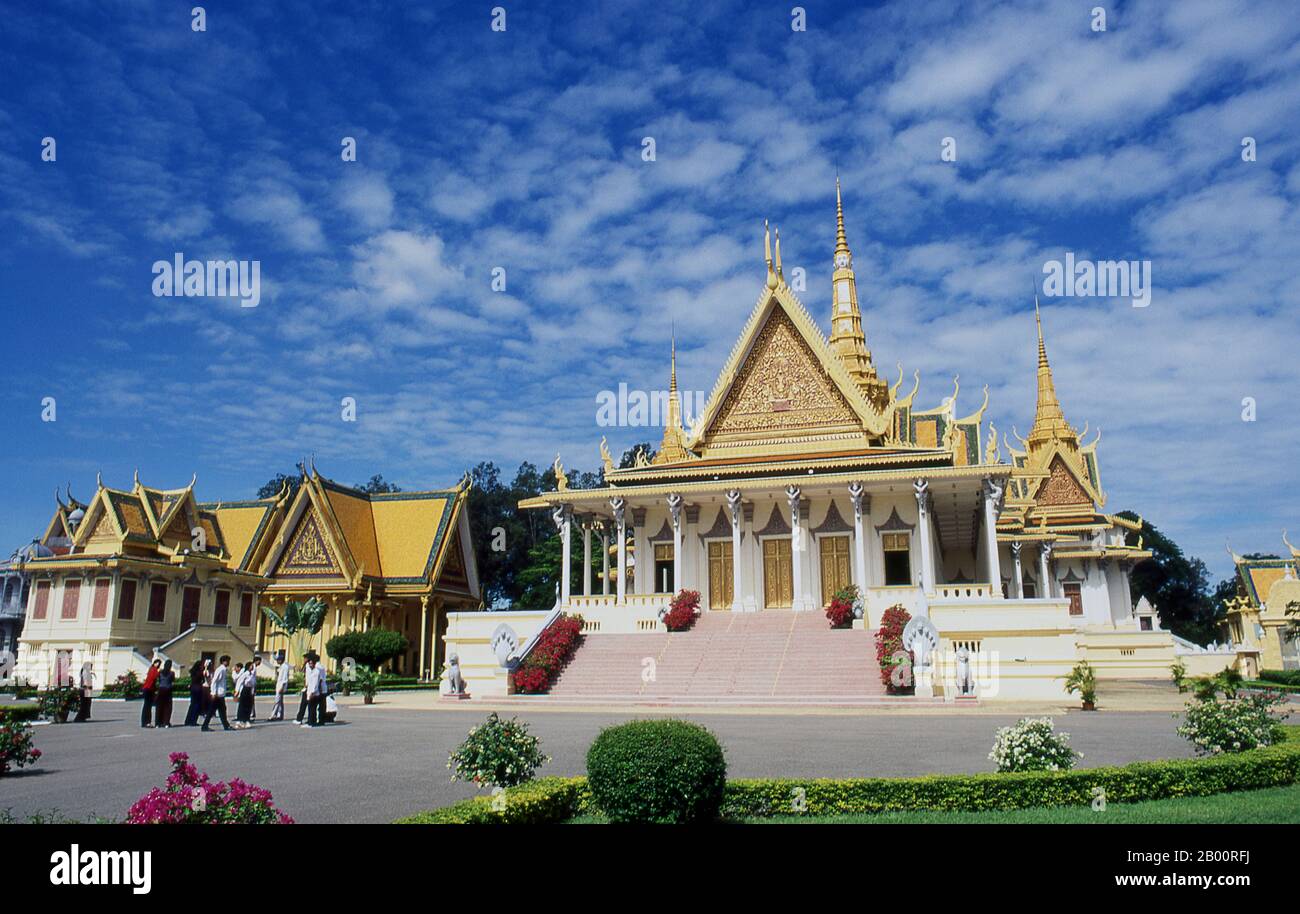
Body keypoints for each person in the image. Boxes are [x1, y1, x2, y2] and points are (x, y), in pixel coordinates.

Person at [201, 655, 233, 731]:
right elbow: (214, 681)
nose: (228, 662)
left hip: (220, 694)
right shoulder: (221, 670)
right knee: (214, 711)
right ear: (223, 661)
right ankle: (205, 726)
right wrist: (213, 692)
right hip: (218, 694)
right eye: (227, 661)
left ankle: (226, 725)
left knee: (221, 710)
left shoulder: (224, 669)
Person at [304, 654, 326, 727]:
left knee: (312, 707)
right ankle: (314, 721)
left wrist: (313, 693)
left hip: (315, 692)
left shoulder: (317, 670)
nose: (310, 664)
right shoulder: (314, 670)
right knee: (313, 707)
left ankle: (311, 722)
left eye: (311, 663)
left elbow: (316, 682)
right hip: (314, 691)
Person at [184, 659, 207, 726]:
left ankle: (188, 721)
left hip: (193, 688)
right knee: (197, 705)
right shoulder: (200, 672)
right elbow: (203, 680)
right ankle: (193, 721)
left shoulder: (193, 672)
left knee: (192, 705)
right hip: (198, 688)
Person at [140, 658, 161, 728]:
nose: (158, 665)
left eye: (159, 664)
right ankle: (146, 722)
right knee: (147, 706)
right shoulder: (153, 669)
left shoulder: (151, 669)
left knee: (147, 706)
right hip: (149, 689)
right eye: (157, 663)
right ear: (154, 663)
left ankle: (145, 722)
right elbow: (154, 677)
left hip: (148, 689)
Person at [269, 650, 289, 721]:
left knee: (277, 701)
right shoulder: (281, 666)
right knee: (280, 702)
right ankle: (279, 715)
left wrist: (282, 687)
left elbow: (285, 678)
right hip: (279, 685)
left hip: (281, 686)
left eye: (278, 660)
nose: (277, 661)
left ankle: (273, 715)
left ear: (281, 660)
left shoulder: (285, 667)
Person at [155, 660, 175, 728]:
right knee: (168, 707)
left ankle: (157, 723)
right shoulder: (171, 673)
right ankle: (166, 722)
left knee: (159, 706)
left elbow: (159, 680)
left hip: (161, 689)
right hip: (168, 690)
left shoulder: (160, 672)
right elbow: (172, 681)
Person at [234, 662, 255, 729]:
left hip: (249, 690)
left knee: (249, 706)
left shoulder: (252, 674)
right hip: (245, 690)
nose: (252, 667)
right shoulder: (245, 674)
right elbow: (239, 682)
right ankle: (239, 721)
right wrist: (237, 691)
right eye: (251, 666)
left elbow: (253, 684)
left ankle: (246, 720)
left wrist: (253, 692)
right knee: (242, 706)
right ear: (248, 666)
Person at [249, 655, 263, 720]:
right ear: (256, 661)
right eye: (259, 661)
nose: (260, 663)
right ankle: (251, 714)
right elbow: (251, 678)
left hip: (252, 686)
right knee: (251, 700)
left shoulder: (254, 667)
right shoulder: (253, 667)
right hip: (251, 686)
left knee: (252, 700)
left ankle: (252, 713)